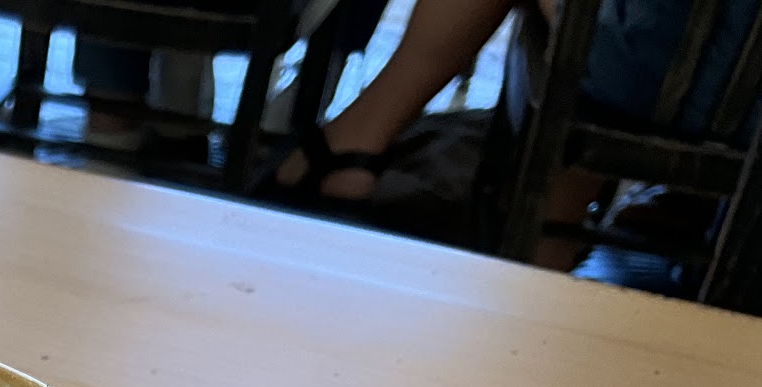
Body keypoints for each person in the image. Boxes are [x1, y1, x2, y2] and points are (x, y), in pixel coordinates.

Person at [264, 0, 762, 264]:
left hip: (649, 68)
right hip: (749, 116)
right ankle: (558, 239)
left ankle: (353, 144)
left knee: (588, 52)